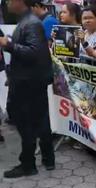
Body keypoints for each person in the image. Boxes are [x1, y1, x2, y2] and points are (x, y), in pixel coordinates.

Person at [0, 0, 54, 178]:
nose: (6, 4)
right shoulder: (28, 21)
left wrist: (7, 44)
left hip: (29, 83)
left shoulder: (31, 23)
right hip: (30, 80)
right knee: (40, 119)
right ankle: (48, 159)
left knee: (26, 123)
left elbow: (33, 53)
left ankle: (28, 164)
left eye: (9, 0)